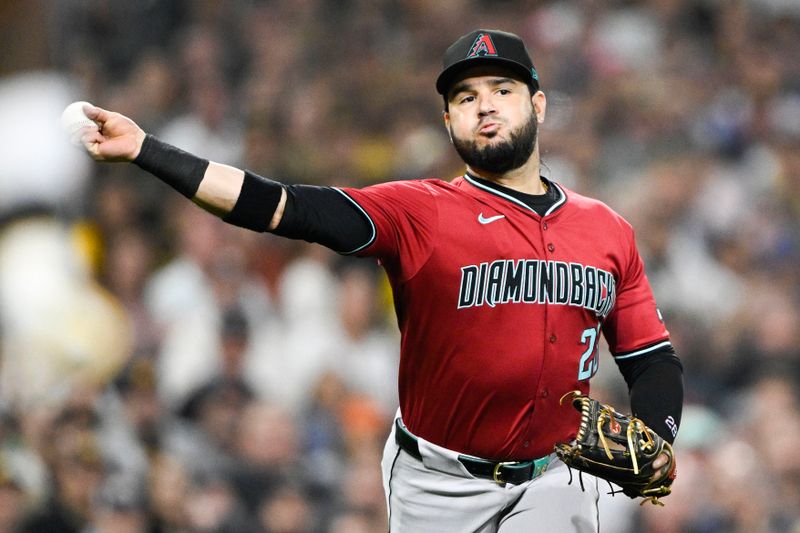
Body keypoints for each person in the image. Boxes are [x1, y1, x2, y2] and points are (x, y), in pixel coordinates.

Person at [81, 28, 683, 533]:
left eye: (503, 89)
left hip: (556, 477)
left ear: (539, 104)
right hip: (438, 483)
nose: (487, 105)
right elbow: (280, 206)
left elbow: (651, 358)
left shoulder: (606, 229)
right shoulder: (419, 211)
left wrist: (658, 435)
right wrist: (146, 150)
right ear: (449, 120)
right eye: (467, 97)